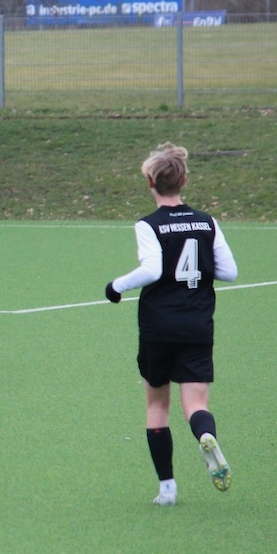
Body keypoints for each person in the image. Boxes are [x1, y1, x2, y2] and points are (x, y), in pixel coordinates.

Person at [104, 142, 238, 507]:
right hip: (197, 325)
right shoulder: (207, 222)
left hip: (159, 327)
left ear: (150, 182)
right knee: (195, 403)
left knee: (157, 407)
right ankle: (206, 436)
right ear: (185, 181)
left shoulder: (148, 225)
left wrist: (116, 286)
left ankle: (167, 488)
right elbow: (229, 271)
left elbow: (152, 269)